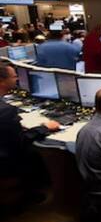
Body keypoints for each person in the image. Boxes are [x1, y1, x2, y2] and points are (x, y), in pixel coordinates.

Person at [0, 62, 60, 197]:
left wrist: (15, 124)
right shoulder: (6, 110)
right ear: (2, 81)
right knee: (41, 152)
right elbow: (21, 142)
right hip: (6, 160)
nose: (17, 79)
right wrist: (44, 128)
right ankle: (35, 191)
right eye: (14, 76)